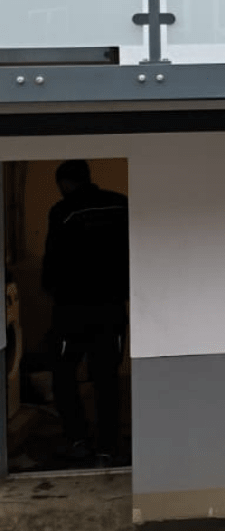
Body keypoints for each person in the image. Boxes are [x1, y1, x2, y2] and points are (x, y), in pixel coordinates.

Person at [41, 160, 129, 465]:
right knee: (106, 378)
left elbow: (51, 263)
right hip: (111, 309)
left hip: (72, 311)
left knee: (64, 375)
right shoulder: (120, 206)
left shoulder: (63, 212)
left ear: (65, 183)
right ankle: (108, 446)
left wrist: (53, 292)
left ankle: (78, 439)